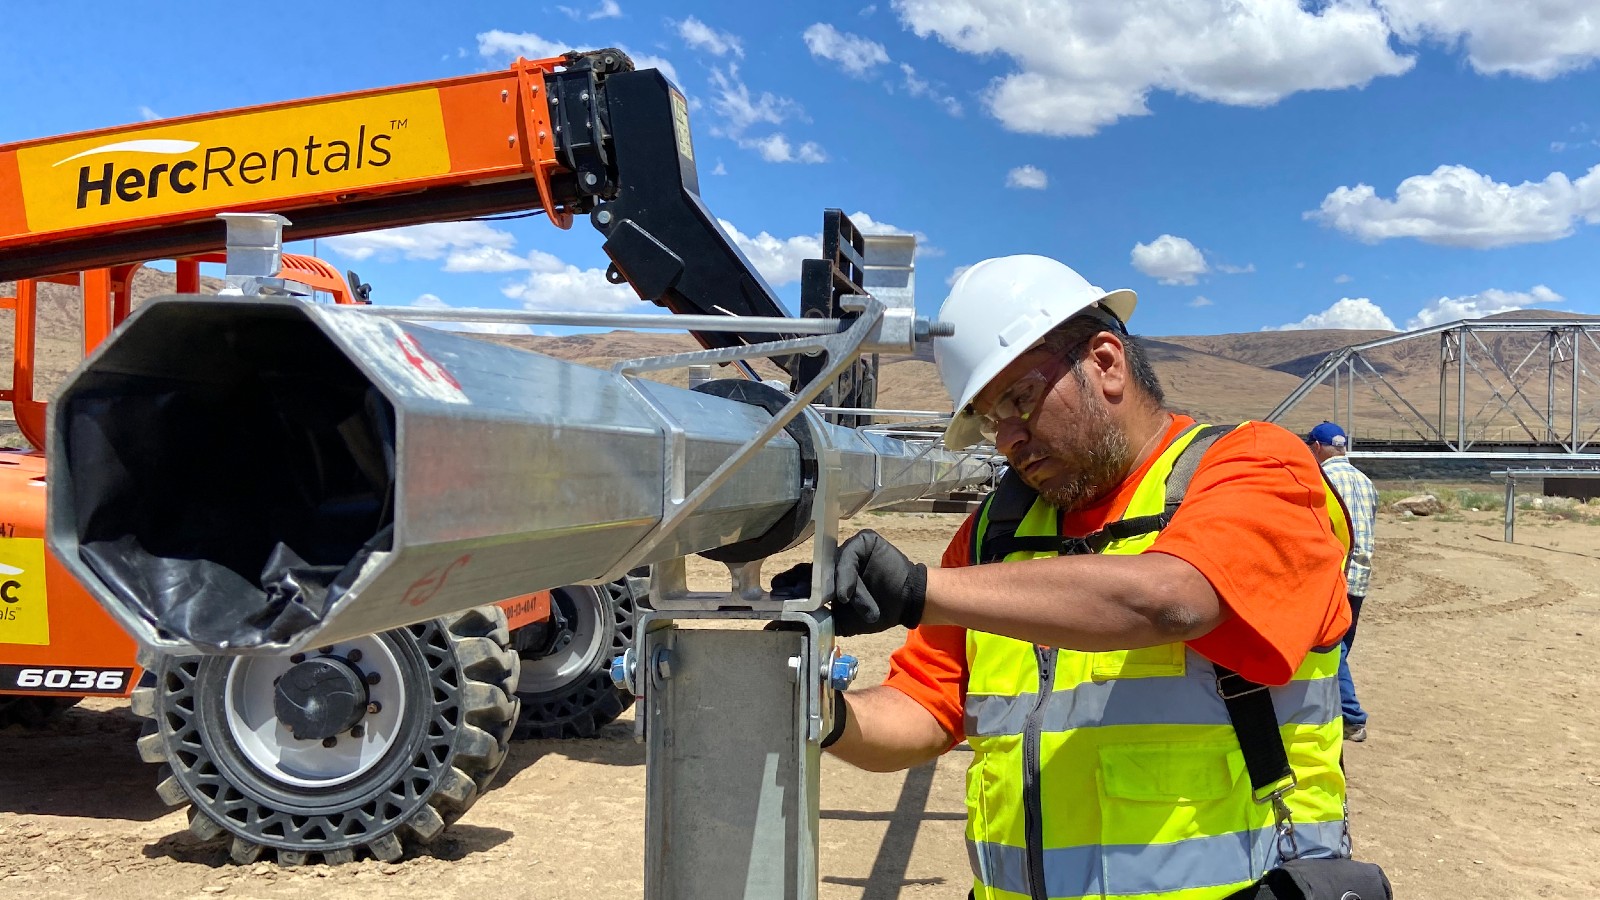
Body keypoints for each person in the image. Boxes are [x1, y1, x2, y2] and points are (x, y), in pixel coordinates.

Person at [784, 255, 1355, 900]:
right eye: (991, 421)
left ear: (1106, 362)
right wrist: (815, 708)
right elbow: (922, 710)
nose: (1008, 441)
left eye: (1021, 402)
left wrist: (917, 590)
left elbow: (1172, 599)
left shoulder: (1253, 467)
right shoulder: (994, 534)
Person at [1306, 421, 1377, 743]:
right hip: (1360, 577)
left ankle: (1351, 717)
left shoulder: (1322, 479)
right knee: (1342, 644)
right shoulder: (1365, 481)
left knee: (1333, 648)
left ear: (1317, 447)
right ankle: (1343, 712)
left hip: (1333, 576)